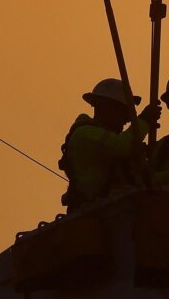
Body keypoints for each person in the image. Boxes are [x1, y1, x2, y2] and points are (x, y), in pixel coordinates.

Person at [59, 77, 149, 211]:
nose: (127, 121)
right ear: (107, 108)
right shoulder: (85, 135)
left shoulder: (108, 140)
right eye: (124, 113)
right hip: (93, 212)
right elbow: (122, 146)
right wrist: (145, 120)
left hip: (111, 209)